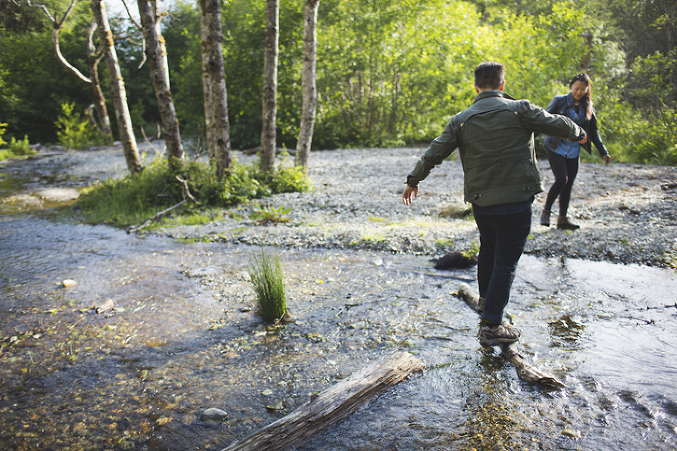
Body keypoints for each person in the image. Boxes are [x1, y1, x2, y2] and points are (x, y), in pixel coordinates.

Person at [402, 62, 588, 347]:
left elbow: (434, 152)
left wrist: (414, 180)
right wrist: (578, 133)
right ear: (503, 85)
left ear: (476, 87)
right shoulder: (519, 109)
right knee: (506, 260)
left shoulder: (461, 120)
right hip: (516, 200)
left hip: (482, 203)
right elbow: (557, 123)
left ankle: (487, 305)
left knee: (488, 248)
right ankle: (492, 325)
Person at [540, 73, 611, 230]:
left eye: (583, 89)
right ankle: (546, 212)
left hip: (573, 149)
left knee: (568, 183)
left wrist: (603, 152)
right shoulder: (560, 101)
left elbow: (593, 131)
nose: (579, 92)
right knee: (561, 180)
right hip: (555, 145)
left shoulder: (588, 106)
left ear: (587, 90)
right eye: (576, 88)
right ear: (571, 86)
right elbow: (543, 119)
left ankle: (562, 220)